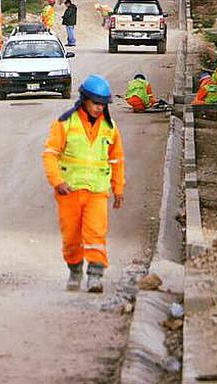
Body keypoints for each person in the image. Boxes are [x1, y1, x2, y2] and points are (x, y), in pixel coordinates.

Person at [42, 74, 125, 293]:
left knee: (96, 234)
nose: (99, 108)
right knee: (71, 237)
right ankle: (75, 270)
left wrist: (118, 188)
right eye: (96, 103)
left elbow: (117, 159)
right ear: (85, 100)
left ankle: (95, 276)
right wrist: (57, 181)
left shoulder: (110, 128)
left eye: (103, 104)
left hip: (97, 192)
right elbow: (50, 154)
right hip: (69, 191)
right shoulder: (65, 124)